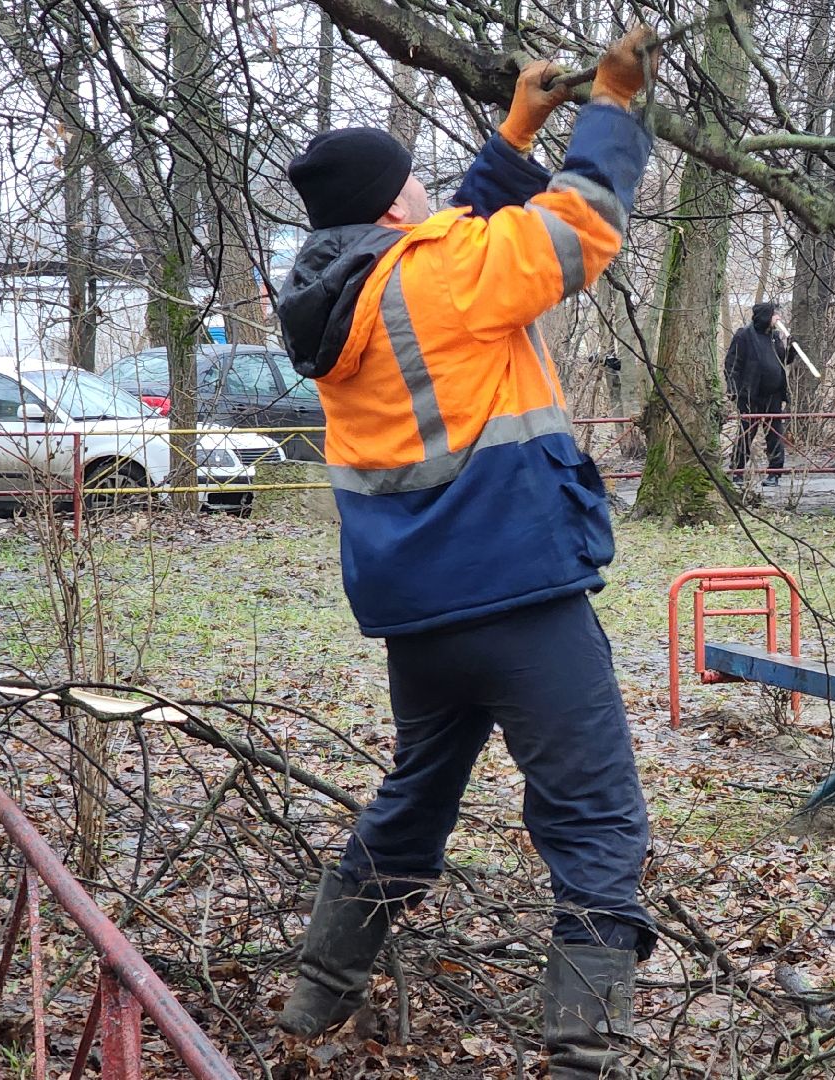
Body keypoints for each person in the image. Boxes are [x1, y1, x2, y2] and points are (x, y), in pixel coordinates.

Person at [271, 31, 657, 1077]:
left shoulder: (330, 295)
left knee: (416, 798)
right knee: (595, 819)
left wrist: (514, 134)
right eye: (417, 189)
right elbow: (579, 230)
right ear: (399, 206)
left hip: (420, 614)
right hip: (520, 594)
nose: (428, 200)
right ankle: (583, 1048)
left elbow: (452, 240)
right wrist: (612, 110)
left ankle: (316, 993)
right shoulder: (443, 275)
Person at [724, 300, 793, 482]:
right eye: (774, 314)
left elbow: (782, 360)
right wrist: (733, 389)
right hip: (750, 396)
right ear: (765, 316)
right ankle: (737, 472)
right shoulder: (744, 335)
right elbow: (732, 364)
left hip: (774, 396)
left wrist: (791, 348)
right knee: (746, 434)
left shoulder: (774, 336)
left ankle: (774, 474)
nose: (777, 318)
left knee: (775, 434)